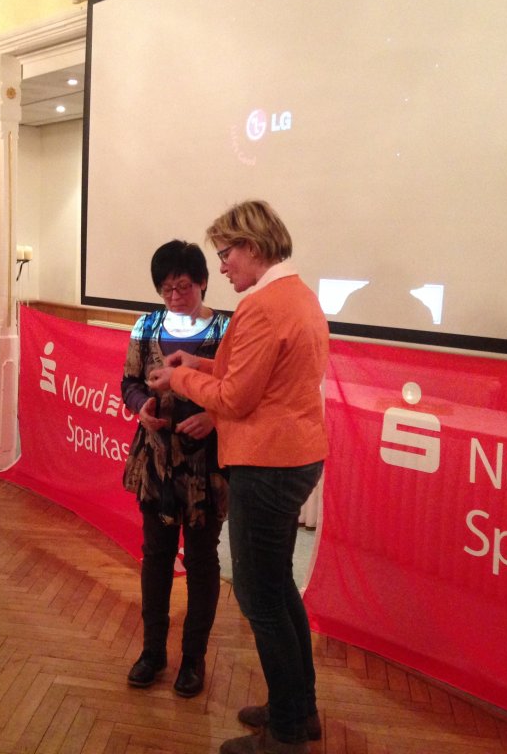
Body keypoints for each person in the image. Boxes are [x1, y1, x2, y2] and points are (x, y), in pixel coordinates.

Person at [147, 202, 328, 754]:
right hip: (294, 455)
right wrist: (196, 363)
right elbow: (247, 375)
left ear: (252, 245)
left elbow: (234, 398)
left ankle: (287, 734)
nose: (222, 266)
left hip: (269, 463)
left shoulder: (264, 307)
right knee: (278, 588)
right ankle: (298, 708)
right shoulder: (296, 294)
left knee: (259, 596)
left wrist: (178, 379)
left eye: (226, 254)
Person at [121, 240, 230, 699]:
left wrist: (215, 417)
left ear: (202, 282)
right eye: (166, 288)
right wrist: (141, 407)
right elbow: (129, 381)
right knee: (156, 557)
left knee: (202, 561)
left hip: (208, 466)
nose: (174, 296)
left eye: (183, 286)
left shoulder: (227, 329)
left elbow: (243, 391)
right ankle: (152, 652)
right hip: (157, 462)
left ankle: (193, 659)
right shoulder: (146, 326)